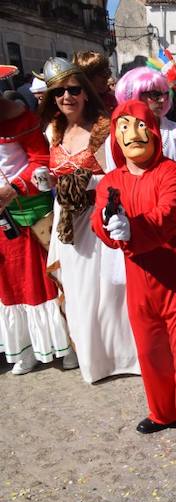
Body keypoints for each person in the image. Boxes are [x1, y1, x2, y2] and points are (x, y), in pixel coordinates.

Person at [92, 99, 176, 454]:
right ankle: (163, 411)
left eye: (142, 124)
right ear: (115, 134)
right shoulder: (112, 181)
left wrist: (133, 228)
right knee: (151, 353)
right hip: (140, 285)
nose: (134, 133)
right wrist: (107, 226)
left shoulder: (172, 174)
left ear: (155, 131)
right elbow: (100, 220)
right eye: (125, 125)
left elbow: (167, 216)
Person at [38, 57, 140, 384]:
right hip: (66, 222)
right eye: (59, 92)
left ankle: (120, 356)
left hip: (98, 219)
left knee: (109, 290)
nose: (66, 97)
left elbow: (119, 175)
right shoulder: (53, 129)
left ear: (84, 92)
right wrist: (51, 180)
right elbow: (54, 173)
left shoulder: (103, 129)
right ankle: (92, 358)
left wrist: (87, 181)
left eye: (73, 90)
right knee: (79, 289)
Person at [0, 69, 71, 374]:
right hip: (2, 220)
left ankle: (68, 342)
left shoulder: (22, 119)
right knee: (10, 286)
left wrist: (13, 188)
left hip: (30, 212)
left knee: (43, 280)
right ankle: (27, 346)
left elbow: (40, 163)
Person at [113, 68, 176, 223]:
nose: (162, 100)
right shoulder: (117, 135)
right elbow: (113, 181)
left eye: (165, 94)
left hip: (174, 224)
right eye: (154, 95)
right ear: (135, 94)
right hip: (133, 223)